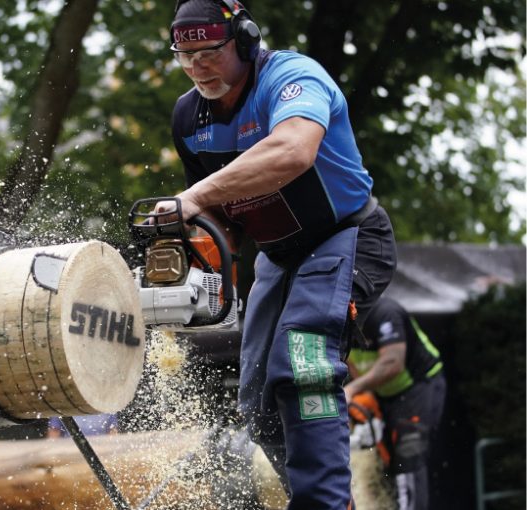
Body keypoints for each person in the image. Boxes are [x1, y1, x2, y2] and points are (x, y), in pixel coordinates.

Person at [157, 0, 397, 507]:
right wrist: (186, 268)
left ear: (244, 39)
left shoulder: (290, 76)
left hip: (346, 236)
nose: (198, 66)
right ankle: (322, 498)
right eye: (185, 55)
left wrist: (195, 199)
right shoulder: (188, 116)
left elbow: (293, 150)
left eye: (210, 52)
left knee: (303, 362)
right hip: (277, 258)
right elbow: (216, 223)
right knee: (259, 397)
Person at [344, 297, 446, 510]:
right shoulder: (338, 320)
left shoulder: (386, 312)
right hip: (383, 393)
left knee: (409, 453)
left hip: (418, 386)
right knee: (384, 457)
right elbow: (352, 363)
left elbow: (393, 363)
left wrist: (353, 389)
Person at [46, 414, 118, 438]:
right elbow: (54, 431)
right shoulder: (64, 402)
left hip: (101, 450)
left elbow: (112, 432)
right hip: (70, 451)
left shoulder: (107, 403)